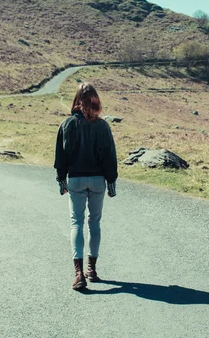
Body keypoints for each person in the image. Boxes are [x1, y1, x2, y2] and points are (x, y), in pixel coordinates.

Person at [54, 82, 118, 290]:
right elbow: (110, 157)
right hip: (98, 179)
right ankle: (92, 269)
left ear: (76, 100)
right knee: (95, 223)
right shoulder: (103, 126)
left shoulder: (67, 124)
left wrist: (61, 180)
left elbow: (60, 157)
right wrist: (111, 182)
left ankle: (78, 274)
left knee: (76, 223)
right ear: (95, 100)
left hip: (76, 180)